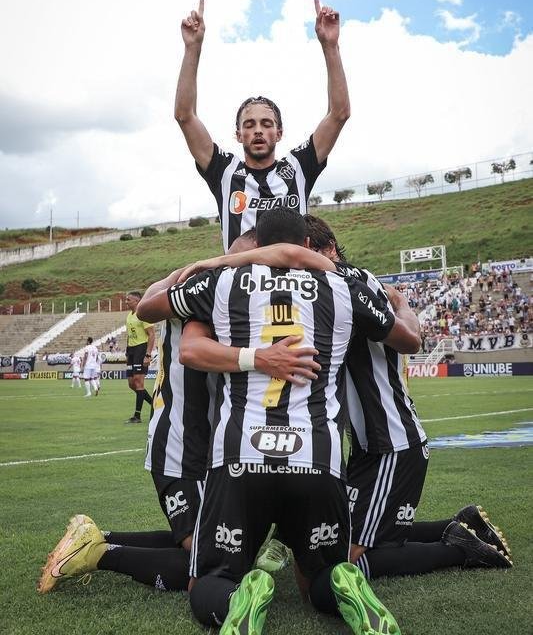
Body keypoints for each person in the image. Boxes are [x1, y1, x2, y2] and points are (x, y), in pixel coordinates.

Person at [138, 208, 421, 634]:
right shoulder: (345, 285)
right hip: (317, 456)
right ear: (306, 243)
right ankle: (344, 585)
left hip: (240, 456)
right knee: (319, 577)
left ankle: (235, 597)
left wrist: (216, 262)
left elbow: (149, 309)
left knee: (208, 580)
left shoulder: (222, 281)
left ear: (257, 244)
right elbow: (407, 339)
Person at [37, 232, 337, 597]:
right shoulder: (219, 289)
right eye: (255, 259)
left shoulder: (216, 287)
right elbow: (172, 333)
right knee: (204, 564)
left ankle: (98, 538)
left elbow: (151, 301)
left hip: (200, 441)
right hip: (180, 445)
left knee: (215, 544)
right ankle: (100, 554)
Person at [303, 213, 512, 583]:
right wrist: (401, 303)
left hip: (391, 442)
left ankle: (460, 550)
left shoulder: (343, 283)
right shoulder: (352, 283)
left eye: (303, 253)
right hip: (371, 443)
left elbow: (411, 340)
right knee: (344, 535)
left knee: (346, 563)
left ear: (329, 248)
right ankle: (456, 525)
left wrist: (403, 305)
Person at [175, 0, 350, 252]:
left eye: (266, 123)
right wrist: (192, 48)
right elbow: (185, 116)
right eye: (249, 124)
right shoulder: (224, 171)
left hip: (293, 276)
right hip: (240, 276)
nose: (258, 130)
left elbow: (339, 114)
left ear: (279, 133)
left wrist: (330, 46)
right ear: (238, 134)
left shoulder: (298, 168)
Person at [124, 291, 155, 423]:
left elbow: (151, 334)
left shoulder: (143, 315)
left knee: (138, 382)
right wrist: (127, 353)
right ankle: (155, 405)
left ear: (137, 301)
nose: (126, 302)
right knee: (132, 384)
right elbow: (129, 335)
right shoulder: (129, 316)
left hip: (141, 349)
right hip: (131, 350)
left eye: (128, 300)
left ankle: (137, 416)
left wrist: (148, 354)